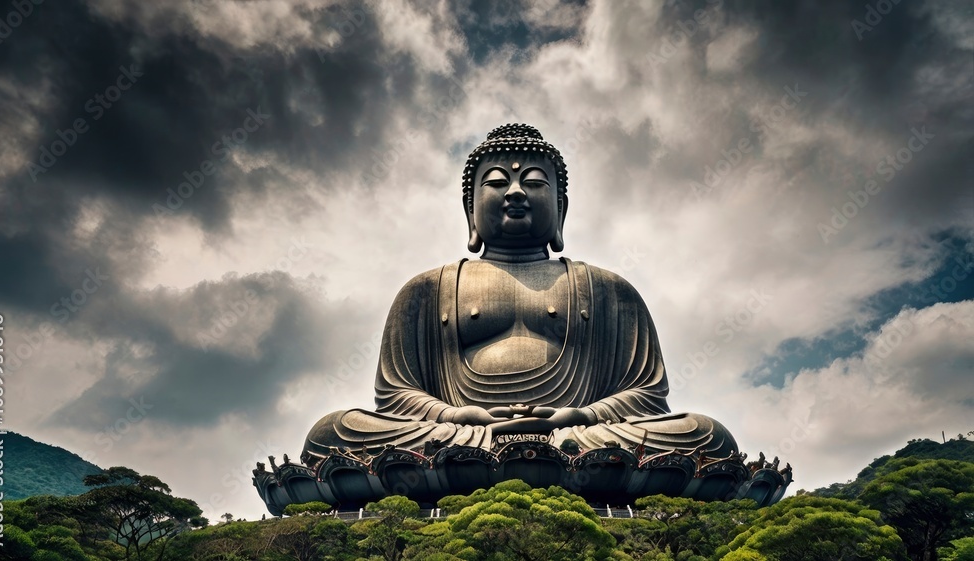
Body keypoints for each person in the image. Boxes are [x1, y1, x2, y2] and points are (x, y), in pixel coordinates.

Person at [303, 123, 738, 464]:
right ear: (470, 211)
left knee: (705, 434)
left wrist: (583, 416)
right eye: (496, 183)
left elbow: (647, 394)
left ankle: (541, 452)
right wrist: (455, 416)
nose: (514, 192)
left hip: (579, 436)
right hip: (460, 436)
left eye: (533, 182)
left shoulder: (608, 290)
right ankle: (505, 454)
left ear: (560, 208)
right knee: (332, 432)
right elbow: (395, 395)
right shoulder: (426, 291)